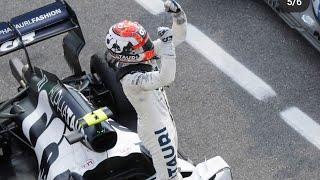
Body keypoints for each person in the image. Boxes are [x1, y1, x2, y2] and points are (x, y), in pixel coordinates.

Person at [105, 0, 187, 179]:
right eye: (141, 44)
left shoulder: (139, 56)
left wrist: (178, 16)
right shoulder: (131, 79)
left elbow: (178, 38)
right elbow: (166, 78)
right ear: (126, 53)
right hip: (158, 134)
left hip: (162, 123)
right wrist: (166, 48)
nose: (148, 45)